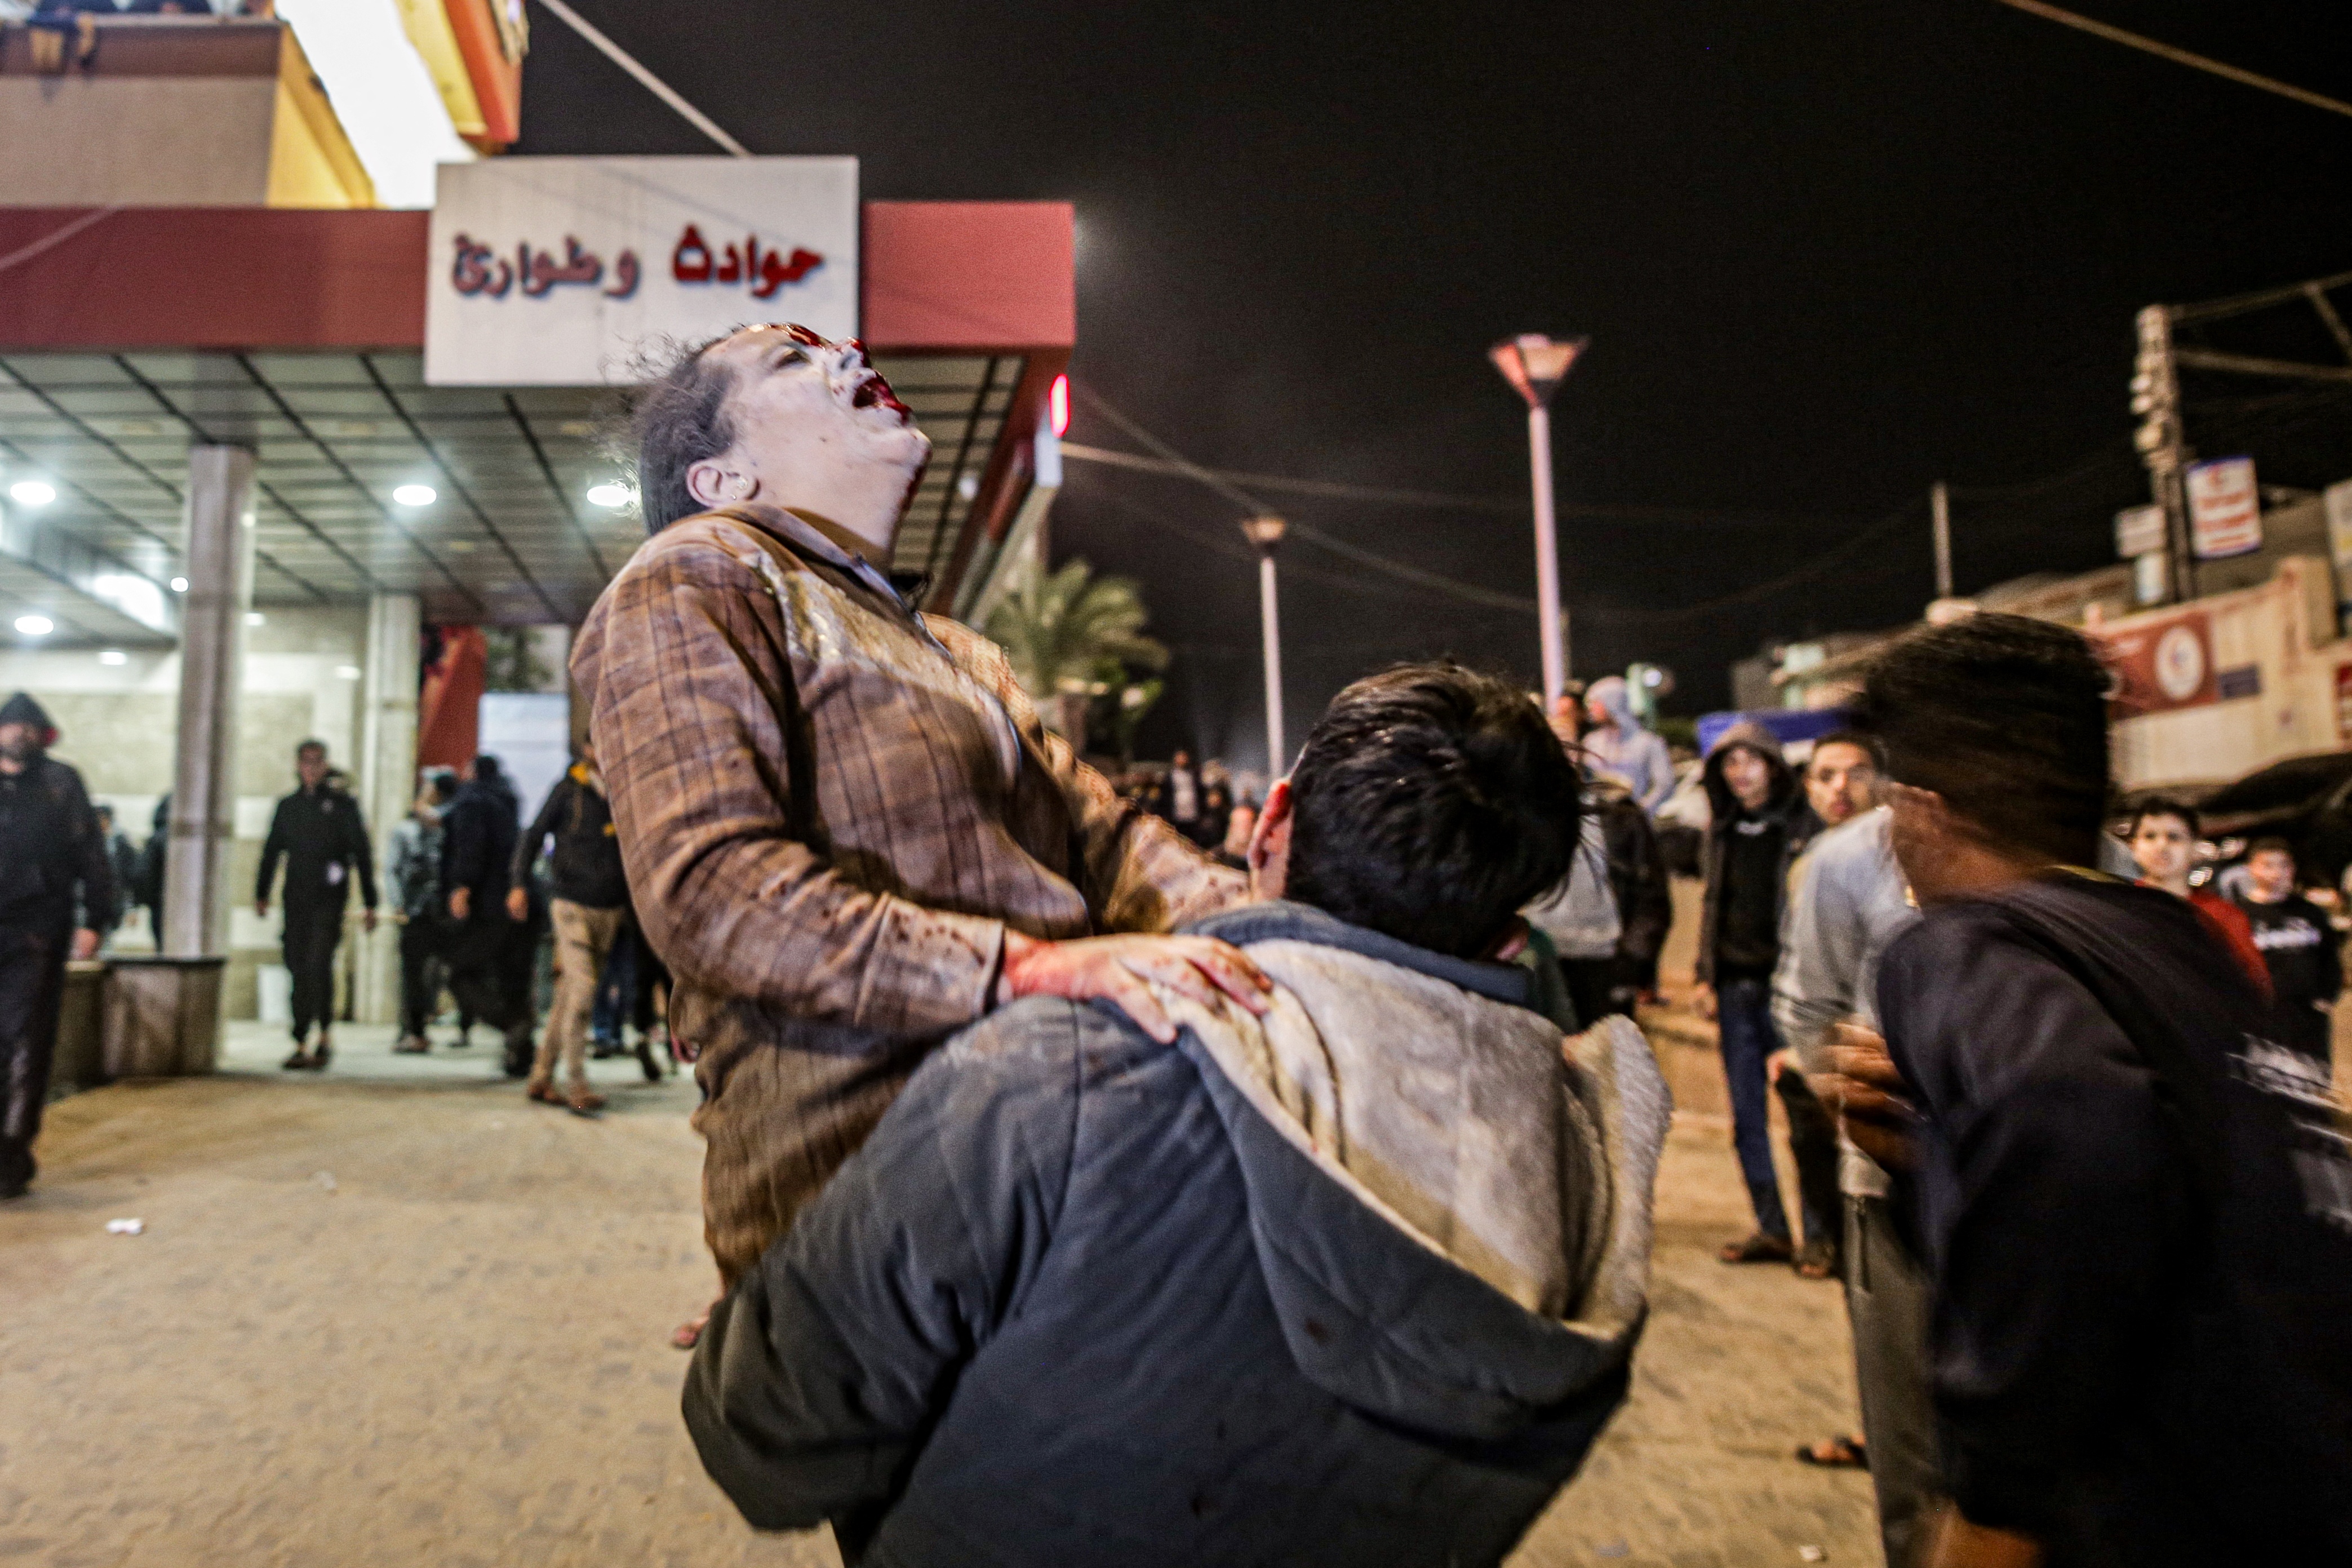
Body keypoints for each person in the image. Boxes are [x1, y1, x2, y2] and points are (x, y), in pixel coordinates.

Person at [684, 663, 1671, 1567]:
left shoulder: (1062, 1069)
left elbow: (766, 1441)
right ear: (1510, 931)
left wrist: (777, 1295)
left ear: (1268, 821)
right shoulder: (1583, 1158)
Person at [569, 323, 1259, 1311]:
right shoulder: (696, 572)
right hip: (885, 1211)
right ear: (720, 478)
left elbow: (1118, 849)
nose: (847, 357)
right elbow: (712, 890)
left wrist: (1287, 924)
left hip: (1058, 1139)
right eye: (792, 361)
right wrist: (1023, 968)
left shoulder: (952, 650)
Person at [1837, 612, 2352, 1567]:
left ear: (1916, 806)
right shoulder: (2178, 944)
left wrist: (1997, 1493)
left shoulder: (1962, 945)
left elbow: (2075, 1124)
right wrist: (1930, 1157)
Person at [1773, 735, 1942, 1556]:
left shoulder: (2097, 857)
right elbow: (1811, 1007)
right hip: (1890, 1188)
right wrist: (1864, 1123)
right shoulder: (1846, 861)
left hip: (2047, 1190)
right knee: (1912, 1450)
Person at [1694, 721, 1821, 1265]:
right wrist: (1704, 973)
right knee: (1746, 1118)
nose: (1740, 773)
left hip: (1786, 991)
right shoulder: (1721, 829)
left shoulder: (1802, 828)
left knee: (1804, 1117)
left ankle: (1819, 1236)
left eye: (1751, 760)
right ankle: (1772, 1228)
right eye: (1730, 763)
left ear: (1772, 765)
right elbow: (1711, 902)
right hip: (1733, 989)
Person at [1769, 731, 1880, 1281]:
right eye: (1826, 775)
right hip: (1825, 1061)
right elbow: (1797, 966)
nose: (1841, 787)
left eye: (1856, 772)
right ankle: (1823, 1238)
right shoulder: (1805, 859)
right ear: (1809, 788)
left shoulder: (1901, 861)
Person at [0, 693, 112, 1200]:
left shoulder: (60, 783)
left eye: (29, 727)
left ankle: (11, 1147)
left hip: (38, 928)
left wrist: (96, 918)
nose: (19, 734)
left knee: (28, 1037)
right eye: (11, 726)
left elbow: (91, 851)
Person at [511, 741, 633, 1114]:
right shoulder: (568, 790)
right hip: (570, 902)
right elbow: (533, 836)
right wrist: (518, 883)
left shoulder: (627, 789)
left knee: (569, 992)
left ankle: (542, 1075)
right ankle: (576, 1081)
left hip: (611, 908)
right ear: (587, 748)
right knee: (584, 987)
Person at [254, 738, 378, 1072]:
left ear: (325, 765)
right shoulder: (288, 807)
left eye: (317, 762)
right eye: (306, 762)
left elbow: (361, 853)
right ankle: (299, 1038)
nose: (311, 768)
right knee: (297, 965)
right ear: (298, 765)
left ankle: (324, 1034)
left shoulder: (342, 806)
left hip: (329, 899)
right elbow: (272, 851)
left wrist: (370, 902)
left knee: (319, 963)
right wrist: (261, 893)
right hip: (295, 898)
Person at [440, 754, 535, 1078]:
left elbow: (471, 845)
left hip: (487, 903)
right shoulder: (508, 800)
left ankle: (512, 1025)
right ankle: (520, 1055)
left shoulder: (472, 801)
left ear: (473, 772)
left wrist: (462, 886)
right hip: (518, 900)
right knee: (512, 979)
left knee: (459, 973)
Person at [2123, 799, 2267, 991]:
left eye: (2174, 837)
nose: (2161, 846)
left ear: (2195, 847)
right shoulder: (2118, 907)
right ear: (2133, 847)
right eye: (2150, 836)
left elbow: (2257, 987)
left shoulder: (2223, 916)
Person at [2232, 836, 2341, 1065]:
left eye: (2284, 865)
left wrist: (2326, 996)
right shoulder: (2239, 916)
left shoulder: (2310, 913)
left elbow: (2330, 957)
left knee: (2311, 1088)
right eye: (2268, 865)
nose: (2277, 872)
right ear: (2252, 869)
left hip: (2308, 1017)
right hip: (2261, 1019)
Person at [386, 770, 456, 1054]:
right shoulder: (406, 830)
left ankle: (425, 1021)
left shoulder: (450, 825)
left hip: (441, 911)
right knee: (413, 973)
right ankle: (413, 1028)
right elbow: (393, 868)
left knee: (439, 973)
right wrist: (398, 903)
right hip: (415, 909)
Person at [1580, 674, 1674, 816]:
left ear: (1612, 702)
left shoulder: (1648, 743)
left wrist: (1640, 811)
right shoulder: (1590, 741)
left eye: (1595, 703)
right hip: (1597, 821)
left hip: (1631, 824)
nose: (1591, 709)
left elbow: (1665, 785)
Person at [91, 805, 137, 936]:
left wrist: (131, 908)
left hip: (113, 904)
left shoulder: (120, 843)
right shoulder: (89, 842)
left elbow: (129, 878)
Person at [1165, 746, 1202, 839]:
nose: (1182, 760)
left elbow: (1201, 793)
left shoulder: (1194, 774)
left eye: (1184, 757)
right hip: (1176, 815)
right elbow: (1165, 796)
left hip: (1193, 814)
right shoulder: (1170, 776)